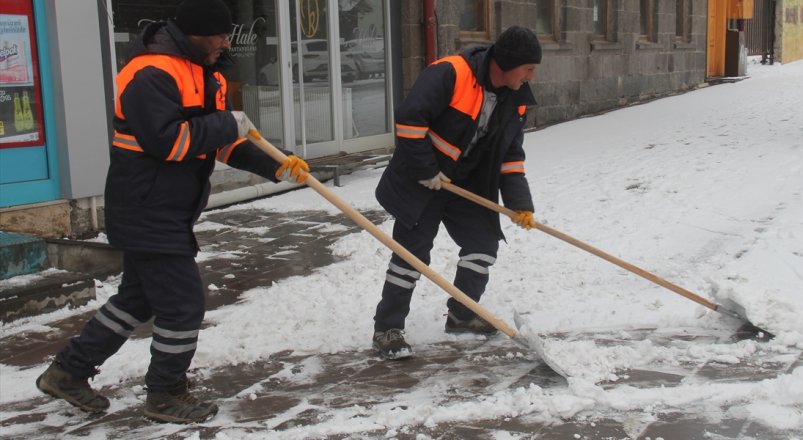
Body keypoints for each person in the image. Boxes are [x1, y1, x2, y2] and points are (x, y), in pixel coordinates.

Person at [35, 0, 309, 424]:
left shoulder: (207, 72)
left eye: (226, 34)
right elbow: (170, 143)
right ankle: (164, 395)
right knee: (183, 306)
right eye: (218, 35)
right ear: (194, 34)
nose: (224, 42)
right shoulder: (151, 73)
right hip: (145, 208)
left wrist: (276, 163)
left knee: (137, 299)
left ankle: (67, 372)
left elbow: (223, 142)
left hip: (168, 209)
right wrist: (224, 125)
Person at [372, 26, 542, 360]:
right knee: (411, 254)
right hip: (422, 182)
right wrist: (426, 170)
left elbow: (510, 156)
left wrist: (520, 204)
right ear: (508, 64)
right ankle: (387, 329)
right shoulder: (451, 73)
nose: (531, 76)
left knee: (482, 245)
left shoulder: (516, 100)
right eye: (529, 68)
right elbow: (409, 122)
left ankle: (462, 313)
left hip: (466, 187)